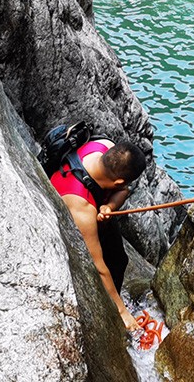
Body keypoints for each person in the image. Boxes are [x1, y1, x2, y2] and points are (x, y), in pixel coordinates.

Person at [49, 137, 147, 332]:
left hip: (97, 207)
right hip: (77, 220)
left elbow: (123, 191)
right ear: (118, 180)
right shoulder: (81, 207)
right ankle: (114, 317)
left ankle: (116, 298)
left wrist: (109, 206)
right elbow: (98, 267)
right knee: (110, 264)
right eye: (123, 183)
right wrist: (123, 313)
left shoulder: (104, 146)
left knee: (119, 260)